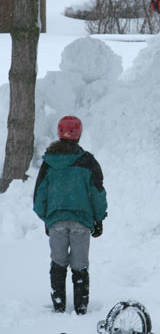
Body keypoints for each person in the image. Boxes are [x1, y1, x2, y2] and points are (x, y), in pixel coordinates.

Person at [33, 115, 108, 315]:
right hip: (81, 222)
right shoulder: (88, 161)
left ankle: (58, 305)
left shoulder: (48, 163)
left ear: (59, 133)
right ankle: (81, 308)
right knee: (80, 265)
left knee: (58, 263)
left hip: (56, 221)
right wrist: (98, 219)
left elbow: (39, 196)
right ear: (79, 134)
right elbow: (98, 192)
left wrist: (47, 218)